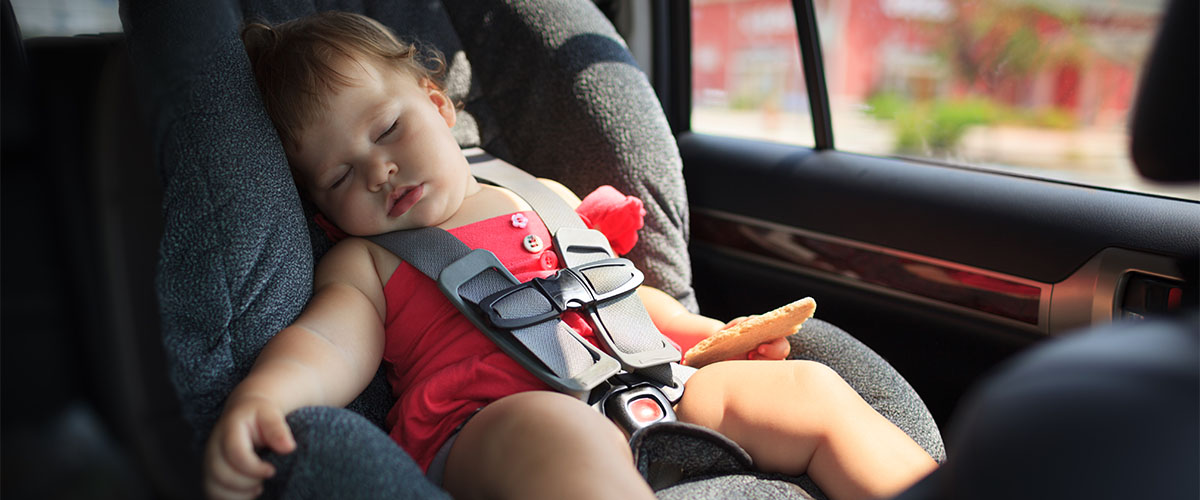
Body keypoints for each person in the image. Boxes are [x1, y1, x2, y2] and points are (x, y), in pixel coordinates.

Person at [204, 11, 937, 500]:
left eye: (387, 128)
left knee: (808, 389)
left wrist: (706, 336)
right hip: (496, 424)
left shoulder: (539, 194)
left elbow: (620, 297)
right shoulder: (369, 263)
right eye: (339, 175)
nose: (377, 170)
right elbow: (324, 342)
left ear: (437, 104)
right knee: (564, 432)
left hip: (648, 390)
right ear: (323, 210)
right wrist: (265, 398)